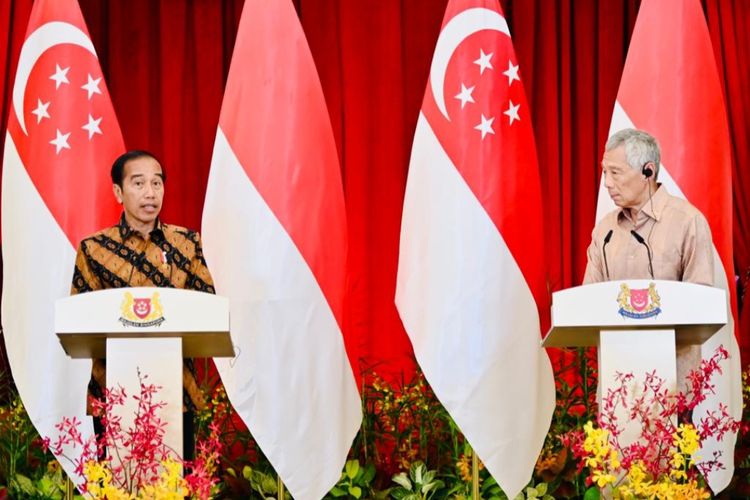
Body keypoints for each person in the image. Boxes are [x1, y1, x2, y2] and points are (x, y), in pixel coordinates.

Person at [71, 150, 215, 458]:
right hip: (111, 392)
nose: (150, 192)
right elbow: (79, 318)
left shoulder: (186, 244)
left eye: (157, 183)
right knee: (114, 485)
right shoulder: (94, 249)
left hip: (178, 392)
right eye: (138, 183)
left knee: (178, 485)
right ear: (118, 192)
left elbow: (207, 306)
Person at [582, 128, 714, 384]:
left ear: (648, 172)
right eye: (604, 172)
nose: (607, 183)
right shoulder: (605, 230)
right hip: (616, 384)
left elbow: (701, 306)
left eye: (615, 173)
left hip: (674, 384)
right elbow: (589, 302)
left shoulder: (688, 222)